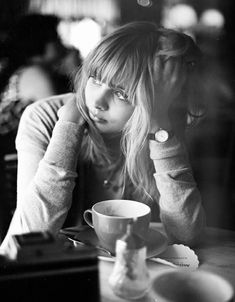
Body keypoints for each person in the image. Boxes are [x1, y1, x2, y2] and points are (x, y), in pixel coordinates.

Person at [0, 21, 206, 253]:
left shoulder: (162, 128)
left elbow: (185, 235)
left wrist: (158, 122)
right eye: (96, 80)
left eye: (121, 93)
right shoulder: (44, 117)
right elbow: (30, 237)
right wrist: (67, 129)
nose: (97, 102)